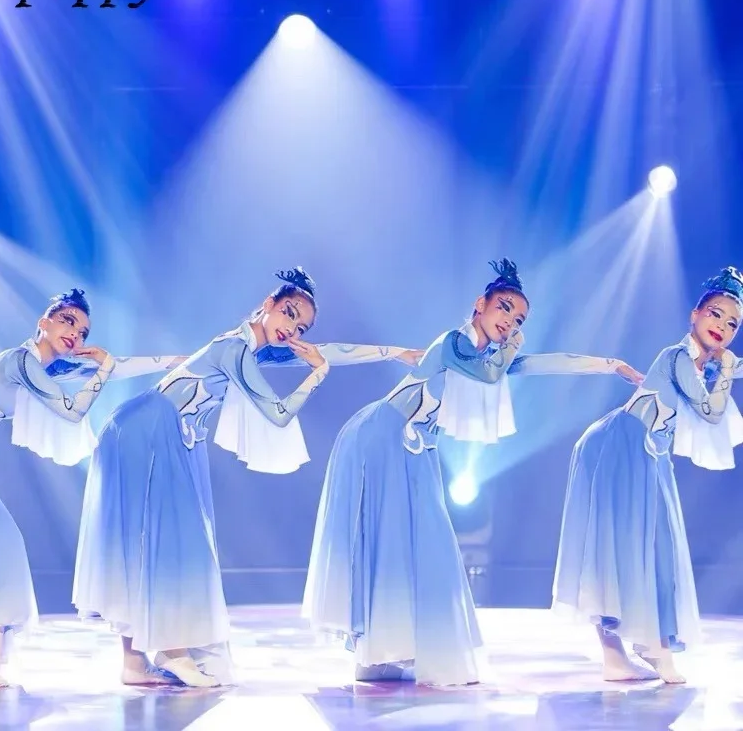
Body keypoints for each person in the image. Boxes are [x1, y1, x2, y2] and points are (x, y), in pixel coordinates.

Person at [72, 268, 422, 688]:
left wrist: (394, 353)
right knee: (166, 540)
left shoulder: (253, 348)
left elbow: (327, 349)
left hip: (162, 433)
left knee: (150, 539)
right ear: (267, 305)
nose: (291, 328)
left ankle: (134, 664)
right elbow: (278, 413)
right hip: (144, 432)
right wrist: (316, 375)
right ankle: (171, 648)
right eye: (288, 313)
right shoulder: (236, 348)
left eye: (300, 325)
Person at [302, 259, 644, 686]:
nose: (510, 322)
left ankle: (384, 653)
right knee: (395, 542)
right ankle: (379, 651)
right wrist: (512, 346)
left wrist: (609, 364)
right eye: (504, 308)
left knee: (416, 545)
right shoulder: (454, 343)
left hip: (414, 447)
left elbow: (544, 363)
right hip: (381, 437)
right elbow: (491, 370)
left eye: (518, 318)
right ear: (479, 305)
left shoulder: (491, 356)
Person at [553, 266, 743, 684]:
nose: (723, 327)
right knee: (619, 547)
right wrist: (727, 367)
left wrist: (727, 366)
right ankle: (633, 652)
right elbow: (711, 411)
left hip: (647, 452)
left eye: (733, 324)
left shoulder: (708, 368)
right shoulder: (674, 357)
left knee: (651, 546)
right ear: (694, 314)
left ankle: (630, 653)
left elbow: (725, 377)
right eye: (716, 314)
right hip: (620, 445)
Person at [0, 289, 116, 687]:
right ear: (44, 322)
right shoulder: (21, 360)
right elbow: (72, 411)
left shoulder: (41, 369)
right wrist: (104, 369)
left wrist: (178, 363)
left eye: (84, 331)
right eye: (68, 321)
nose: (77, 334)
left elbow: (107, 369)